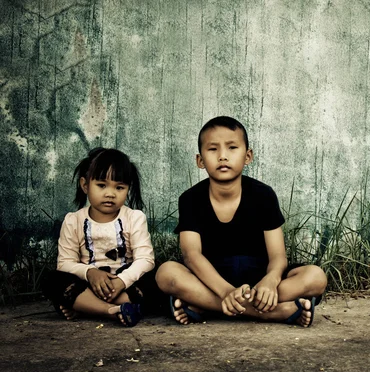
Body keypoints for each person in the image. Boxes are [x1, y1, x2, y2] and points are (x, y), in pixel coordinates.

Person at [156, 116, 327, 326]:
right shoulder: (191, 199)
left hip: (258, 281)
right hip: (212, 281)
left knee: (316, 277)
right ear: (200, 160)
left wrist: (270, 282)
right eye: (213, 149)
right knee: (166, 273)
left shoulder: (263, 195)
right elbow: (192, 256)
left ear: (247, 156)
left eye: (231, 148)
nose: (222, 156)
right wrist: (226, 291)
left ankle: (206, 306)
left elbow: (278, 256)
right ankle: (276, 312)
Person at [42, 148, 155, 327]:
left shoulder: (134, 217)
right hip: (89, 286)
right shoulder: (74, 221)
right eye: (101, 185)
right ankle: (111, 311)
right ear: (85, 185)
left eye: (119, 187)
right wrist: (90, 273)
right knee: (52, 280)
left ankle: (86, 307)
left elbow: (146, 260)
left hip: (125, 287)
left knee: (158, 276)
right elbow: (64, 264)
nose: (110, 193)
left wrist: (122, 281)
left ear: (128, 188)